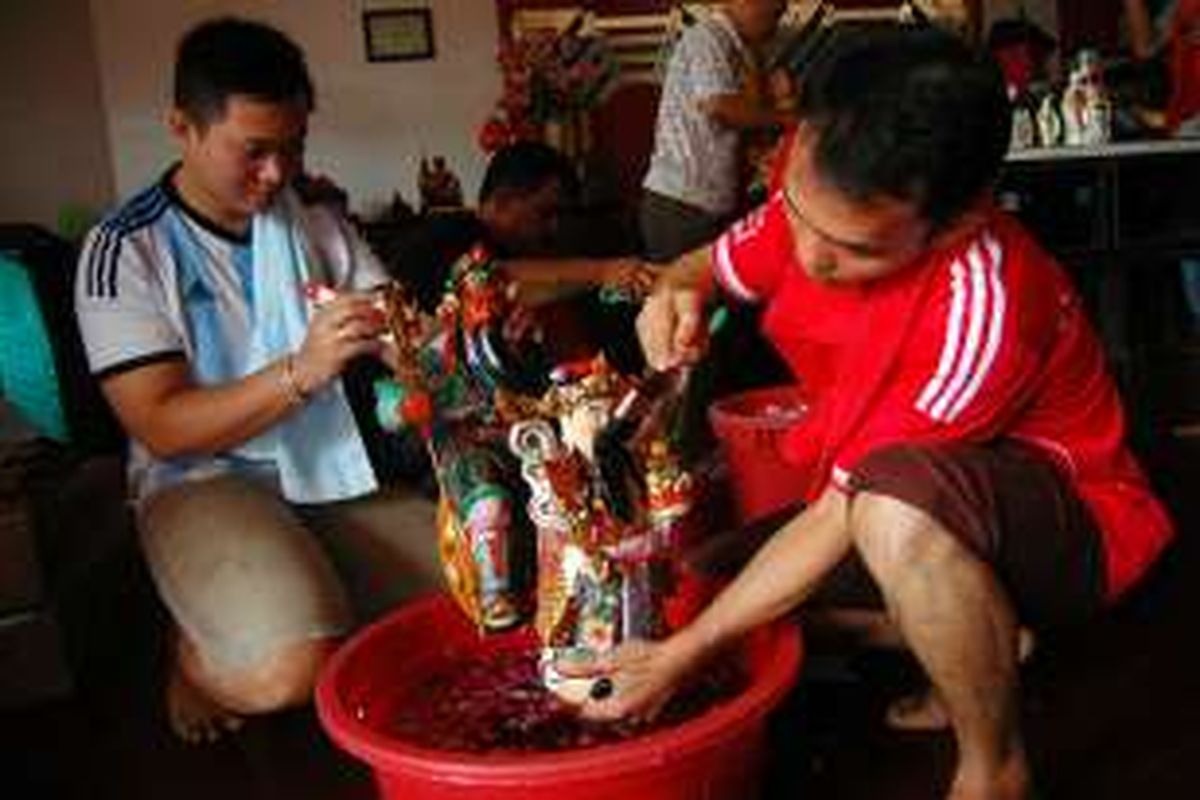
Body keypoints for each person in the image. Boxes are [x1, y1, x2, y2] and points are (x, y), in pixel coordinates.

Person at [568, 28, 1175, 800]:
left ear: (957, 222)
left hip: (1068, 519)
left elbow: (847, 510)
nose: (811, 258)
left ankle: (994, 767)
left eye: (853, 249)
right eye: (798, 216)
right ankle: (980, 638)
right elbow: (708, 265)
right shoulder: (815, 188)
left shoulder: (985, 306)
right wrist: (673, 293)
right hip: (900, 493)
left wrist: (679, 657)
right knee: (703, 583)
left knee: (889, 510)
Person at [74, 18, 444, 743]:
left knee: (471, 595)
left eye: (294, 147)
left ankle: (290, 590)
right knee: (287, 670)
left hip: (322, 469)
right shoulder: (126, 249)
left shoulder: (318, 223)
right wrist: (301, 373)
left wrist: (430, 345)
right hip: (200, 482)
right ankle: (193, 656)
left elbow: (399, 329)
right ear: (183, 127)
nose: (277, 174)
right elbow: (160, 425)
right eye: (254, 150)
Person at [640, 0, 791, 262]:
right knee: (684, 297)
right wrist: (792, 120)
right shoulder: (709, 38)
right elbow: (721, 108)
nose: (775, 26)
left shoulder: (736, 48)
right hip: (682, 205)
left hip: (702, 202)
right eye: (775, 13)